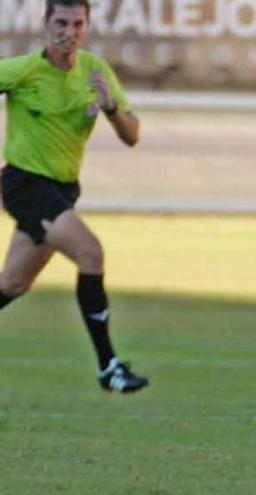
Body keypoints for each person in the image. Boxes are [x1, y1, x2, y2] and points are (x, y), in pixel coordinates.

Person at [0, 0, 148, 393]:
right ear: (45, 25)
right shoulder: (23, 70)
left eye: (77, 23)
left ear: (87, 27)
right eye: (61, 22)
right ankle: (108, 367)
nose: (70, 31)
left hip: (63, 192)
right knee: (90, 252)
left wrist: (111, 107)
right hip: (25, 186)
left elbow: (132, 135)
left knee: (11, 285)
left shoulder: (96, 73)